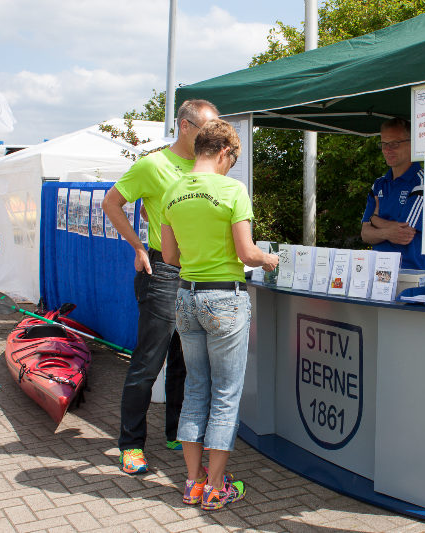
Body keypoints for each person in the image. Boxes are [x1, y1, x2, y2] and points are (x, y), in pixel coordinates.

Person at [161, 119, 278, 510]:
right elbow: (247, 254)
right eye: (233, 159)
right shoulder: (232, 190)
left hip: (186, 297)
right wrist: (270, 260)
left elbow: (170, 256)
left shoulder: (172, 190)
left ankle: (192, 482)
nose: (231, 167)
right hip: (225, 299)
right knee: (226, 395)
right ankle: (215, 488)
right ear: (225, 152)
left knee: (195, 390)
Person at [102, 99, 219, 475]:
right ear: (185, 126)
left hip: (197, 273)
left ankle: (175, 432)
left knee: (185, 361)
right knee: (149, 362)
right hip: (164, 272)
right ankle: (131, 444)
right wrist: (138, 247)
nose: (213, 136)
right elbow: (112, 202)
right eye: (206, 129)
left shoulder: (206, 166)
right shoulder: (153, 165)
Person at [361, 118, 425, 270]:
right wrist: (387, 233)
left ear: (413, 144)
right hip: (378, 271)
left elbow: (404, 234)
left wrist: (374, 219)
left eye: (394, 144)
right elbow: (365, 234)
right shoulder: (379, 184)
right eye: (384, 144)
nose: (387, 150)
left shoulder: (423, 182)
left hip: (411, 274)